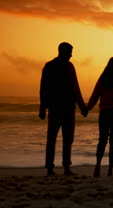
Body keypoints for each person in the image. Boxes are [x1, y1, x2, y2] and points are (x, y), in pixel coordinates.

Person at [39, 42, 87, 176]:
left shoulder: (49, 66)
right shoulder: (68, 66)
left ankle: (50, 168)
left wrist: (42, 107)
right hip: (67, 108)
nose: (72, 55)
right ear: (64, 52)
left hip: (54, 108)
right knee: (67, 139)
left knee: (52, 139)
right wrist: (83, 107)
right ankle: (66, 168)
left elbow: (43, 89)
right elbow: (75, 88)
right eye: (70, 52)